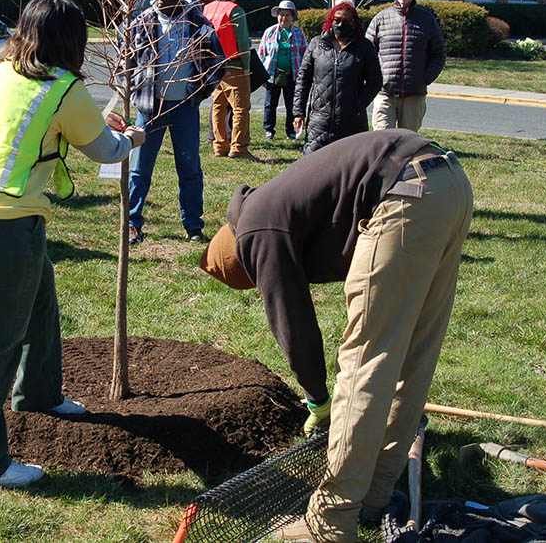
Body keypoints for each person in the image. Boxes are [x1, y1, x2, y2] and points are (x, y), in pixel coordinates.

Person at [198, 129, 473, 543]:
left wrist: (318, 398)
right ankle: (376, 493)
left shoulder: (258, 233)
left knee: (367, 361)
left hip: (404, 195)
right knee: (414, 354)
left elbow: (294, 326)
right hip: (447, 182)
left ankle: (330, 521)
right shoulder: (271, 204)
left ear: (246, 260)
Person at [0, 0, 145, 490]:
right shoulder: (64, 87)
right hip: (1, 222)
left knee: (41, 299)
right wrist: (131, 137)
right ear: (70, 42)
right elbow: (107, 150)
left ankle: (40, 393)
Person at [124, 0, 225, 245]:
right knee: (140, 168)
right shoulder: (142, 22)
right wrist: (136, 89)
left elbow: (217, 60)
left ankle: (193, 226)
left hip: (185, 107)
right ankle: (132, 223)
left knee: (190, 168)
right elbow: (127, 62)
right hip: (150, 108)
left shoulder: (197, 21)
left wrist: (200, 91)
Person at [293, 2, 381, 154]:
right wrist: (298, 112)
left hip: (352, 122)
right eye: (337, 20)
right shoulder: (317, 44)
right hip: (319, 121)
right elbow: (303, 80)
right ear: (330, 21)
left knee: (349, 169)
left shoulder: (364, 47)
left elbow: (375, 81)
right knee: (314, 167)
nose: (341, 24)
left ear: (354, 23)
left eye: (346, 21)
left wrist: (358, 104)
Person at [366, 0, 446, 132]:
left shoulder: (427, 20)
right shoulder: (381, 18)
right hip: (384, 93)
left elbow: (439, 53)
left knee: (408, 143)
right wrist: (376, 77)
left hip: (414, 95)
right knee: (382, 141)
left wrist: (425, 78)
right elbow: (367, 52)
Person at [203, 0, 256, 161]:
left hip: (213, 65)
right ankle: (239, 147)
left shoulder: (207, 9)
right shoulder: (236, 10)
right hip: (233, 64)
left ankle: (219, 146)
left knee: (218, 106)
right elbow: (242, 41)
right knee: (241, 108)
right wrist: (247, 67)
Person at [258, 0, 307, 141]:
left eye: (287, 15)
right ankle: (269, 130)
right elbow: (261, 54)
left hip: (292, 75)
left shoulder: (298, 33)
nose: (283, 18)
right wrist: (262, 75)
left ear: (292, 17)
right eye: (281, 14)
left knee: (291, 104)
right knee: (269, 104)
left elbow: (305, 54)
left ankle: (291, 131)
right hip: (272, 74)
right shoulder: (269, 32)